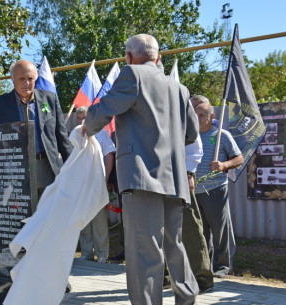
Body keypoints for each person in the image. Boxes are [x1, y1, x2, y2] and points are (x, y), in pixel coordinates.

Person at [84, 34, 199, 305]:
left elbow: (106, 109)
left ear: (129, 56)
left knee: (143, 251)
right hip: (174, 180)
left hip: (142, 176)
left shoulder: (132, 74)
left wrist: (86, 127)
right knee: (175, 246)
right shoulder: (179, 89)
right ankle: (187, 298)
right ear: (157, 57)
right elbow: (191, 134)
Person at [0, 60, 73, 203]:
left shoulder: (48, 100)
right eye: (22, 79)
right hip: (16, 176)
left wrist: (74, 166)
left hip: (49, 171)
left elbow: (62, 137)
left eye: (30, 79)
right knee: (24, 223)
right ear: (13, 80)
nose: (27, 83)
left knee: (51, 220)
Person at [193, 97, 244, 279]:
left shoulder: (222, 135)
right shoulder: (190, 137)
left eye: (201, 115)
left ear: (211, 116)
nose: (197, 118)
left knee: (220, 230)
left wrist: (223, 165)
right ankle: (205, 267)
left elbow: (239, 158)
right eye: (195, 114)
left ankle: (222, 266)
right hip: (194, 190)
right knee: (201, 232)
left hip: (215, 189)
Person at [76, 106, 115, 263]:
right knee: (84, 222)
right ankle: (86, 253)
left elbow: (109, 156)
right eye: (79, 118)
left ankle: (102, 254)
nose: (82, 120)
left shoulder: (101, 133)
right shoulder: (75, 135)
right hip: (80, 185)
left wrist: (104, 180)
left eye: (85, 117)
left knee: (99, 222)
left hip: (97, 184)